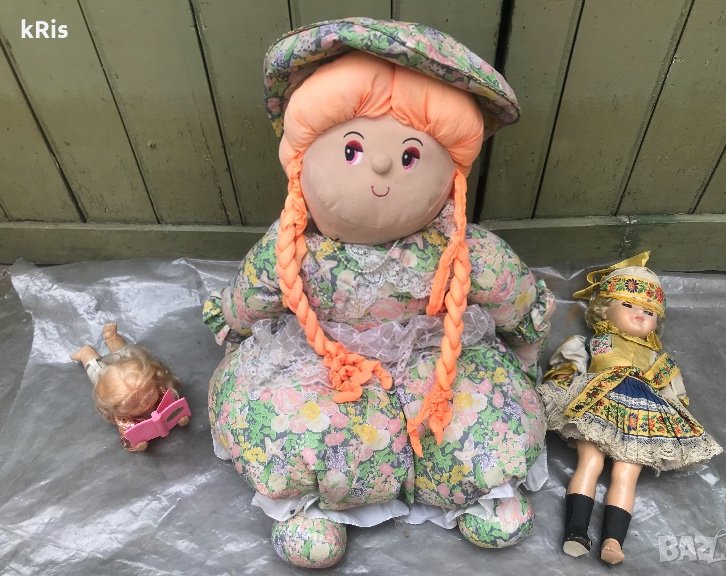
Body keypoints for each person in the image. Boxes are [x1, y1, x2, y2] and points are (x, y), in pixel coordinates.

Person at [203, 17, 555, 568]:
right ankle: (309, 504)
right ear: (302, 162)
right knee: (301, 426)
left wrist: (523, 338)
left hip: (432, 355)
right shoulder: (293, 246)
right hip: (325, 359)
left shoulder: (456, 248)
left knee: (474, 417)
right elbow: (252, 295)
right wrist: (235, 321)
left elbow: (511, 292)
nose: (384, 164)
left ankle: (485, 491)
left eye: (412, 156)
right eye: (352, 149)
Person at [536, 252, 723, 565]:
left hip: (642, 413)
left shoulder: (656, 359)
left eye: (648, 311)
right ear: (604, 308)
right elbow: (569, 367)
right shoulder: (593, 344)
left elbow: (672, 392)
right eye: (629, 305)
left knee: (626, 474)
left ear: (656, 321)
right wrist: (562, 384)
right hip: (598, 401)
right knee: (590, 462)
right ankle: (576, 530)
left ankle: (613, 540)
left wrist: (673, 413)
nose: (639, 315)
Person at [72, 323, 184, 451]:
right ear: (118, 408)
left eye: (149, 394)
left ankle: (112, 338)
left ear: (153, 382)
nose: (145, 404)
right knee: (96, 370)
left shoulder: (159, 388)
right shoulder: (124, 418)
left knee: (126, 354)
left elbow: (174, 399)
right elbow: (126, 437)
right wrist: (135, 443)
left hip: (129, 367)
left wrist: (179, 414)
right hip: (107, 379)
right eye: (134, 405)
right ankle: (86, 353)